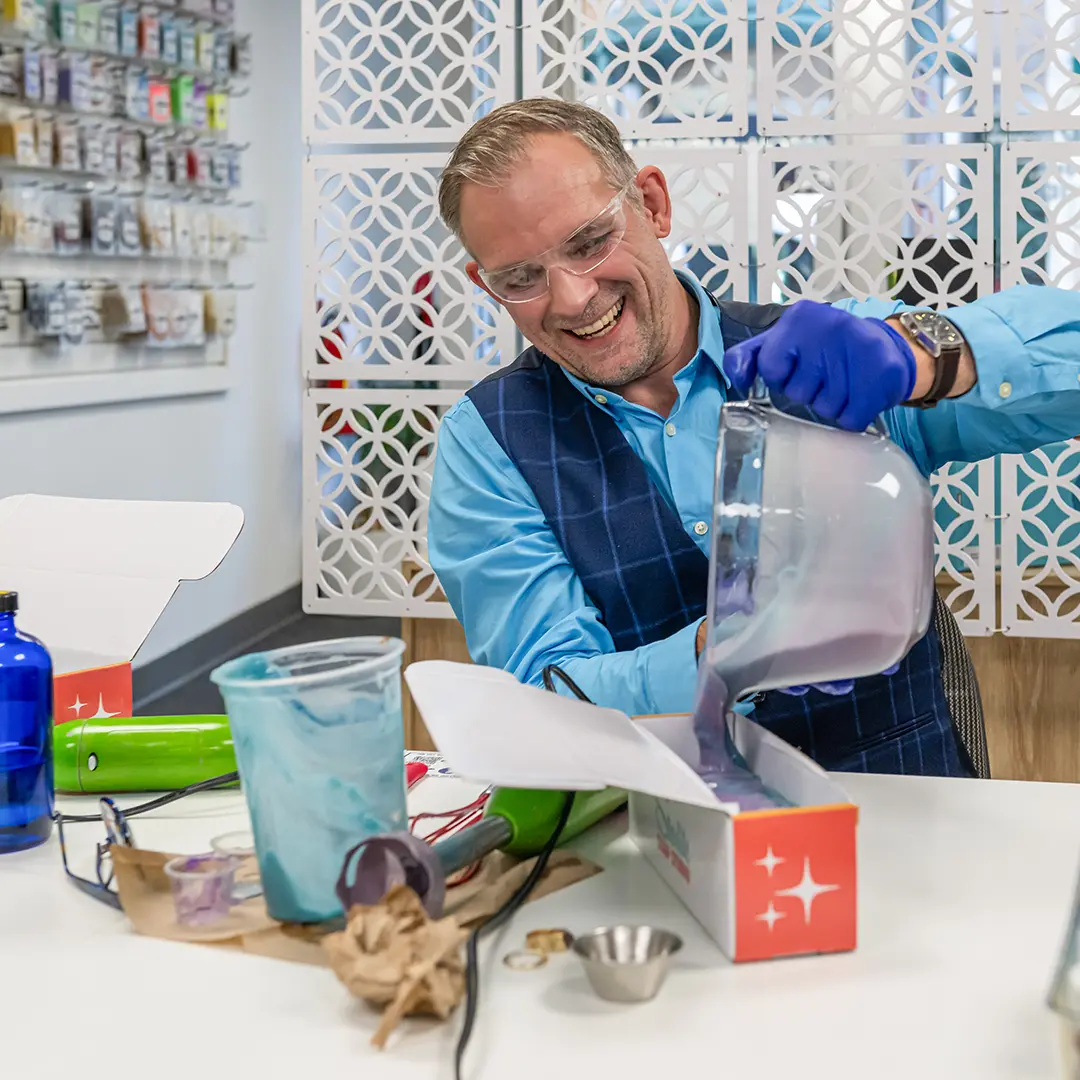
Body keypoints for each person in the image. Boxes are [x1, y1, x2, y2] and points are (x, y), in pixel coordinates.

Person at [426, 98, 1080, 778]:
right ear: (485, 284)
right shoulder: (488, 445)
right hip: (662, 841)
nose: (570, 298)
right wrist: (723, 646)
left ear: (651, 204)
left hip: (904, 816)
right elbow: (545, 695)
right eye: (520, 279)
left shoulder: (831, 354)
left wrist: (923, 356)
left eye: (590, 242)